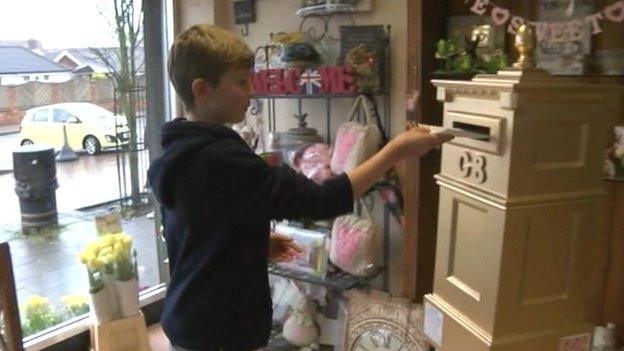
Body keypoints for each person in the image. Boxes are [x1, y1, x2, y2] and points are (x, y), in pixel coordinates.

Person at [148, 24, 453, 351]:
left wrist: (251, 243)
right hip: (220, 332)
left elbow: (198, 231)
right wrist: (395, 152)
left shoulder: (180, 150)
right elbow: (322, 201)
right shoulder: (221, 158)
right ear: (202, 90)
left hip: (190, 320)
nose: (251, 91)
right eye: (240, 82)